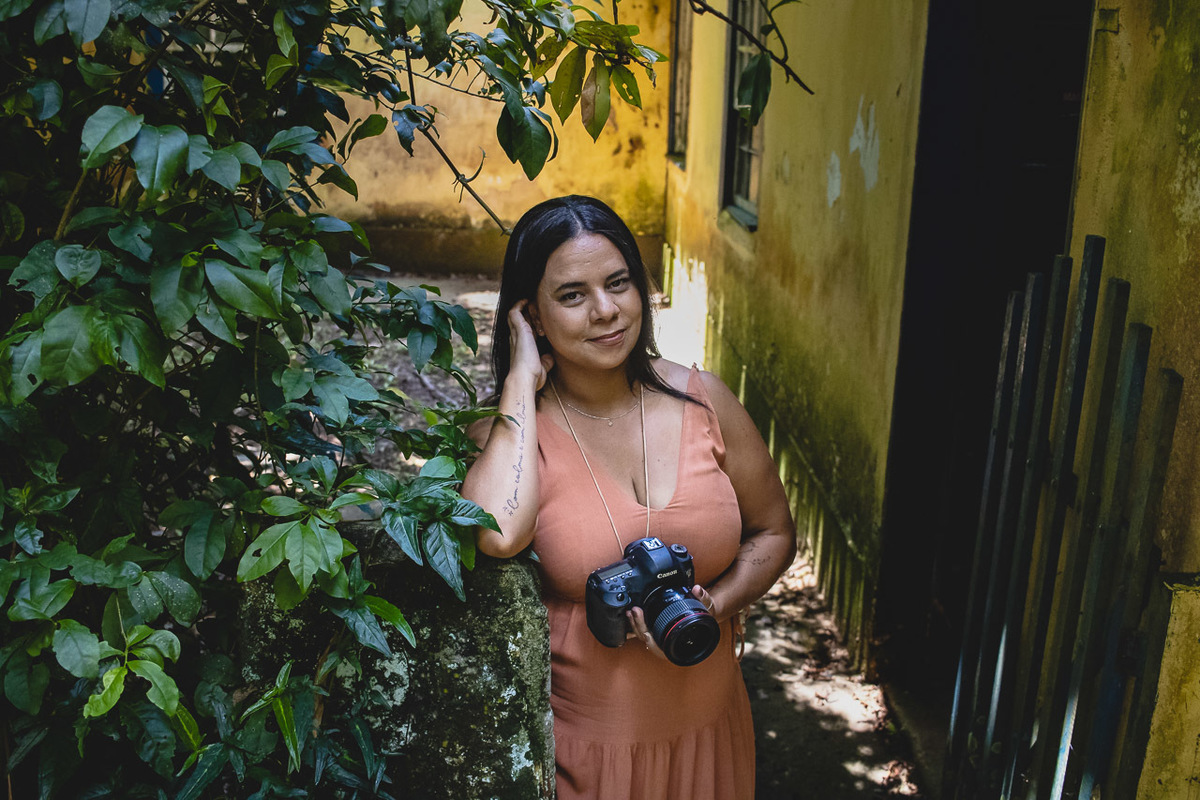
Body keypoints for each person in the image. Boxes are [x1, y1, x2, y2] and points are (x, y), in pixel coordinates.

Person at [461, 195, 796, 800]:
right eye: (572, 295)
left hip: (710, 738)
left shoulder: (705, 399)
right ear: (532, 316)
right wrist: (519, 380)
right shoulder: (509, 434)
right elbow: (496, 531)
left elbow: (774, 532)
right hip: (588, 757)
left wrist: (714, 606)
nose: (606, 310)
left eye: (620, 283)